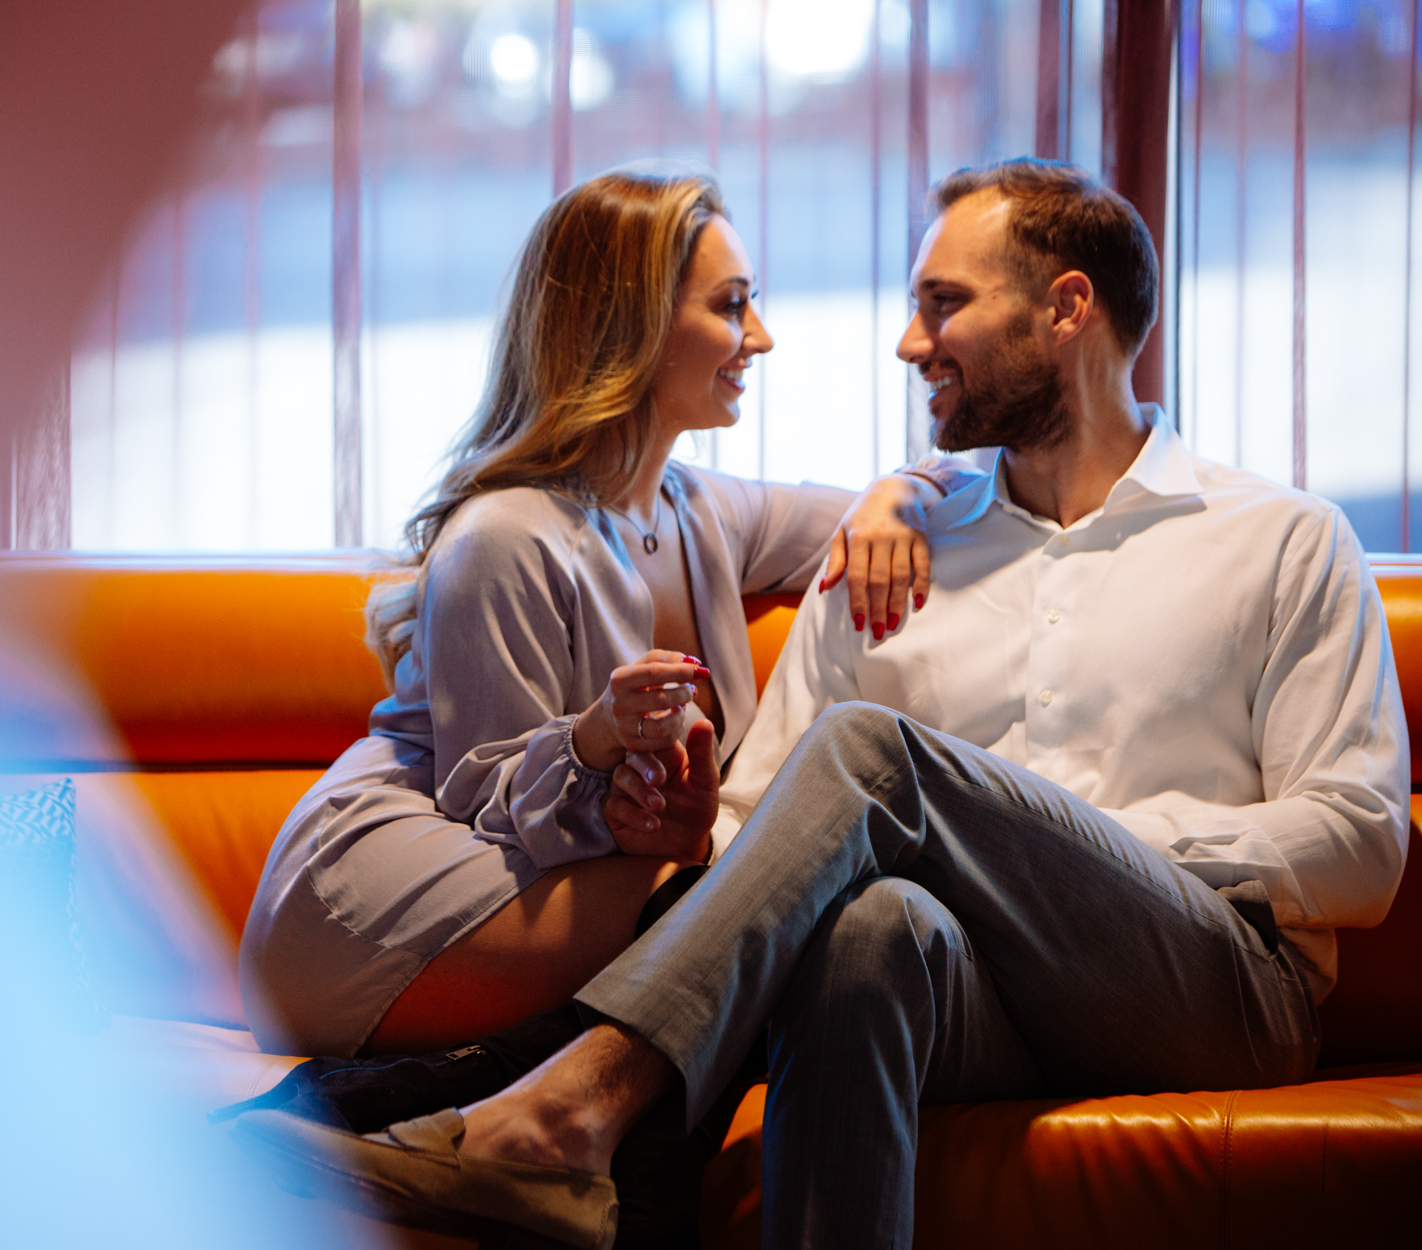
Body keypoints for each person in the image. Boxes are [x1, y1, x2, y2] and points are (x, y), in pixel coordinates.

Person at [230, 159, 1410, 1250]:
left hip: (1208, 990)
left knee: (874, 758)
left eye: (941, 304)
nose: (907, 343)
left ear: (1064, 309)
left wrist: (1056, 838)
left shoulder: (1279, 538)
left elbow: (1359, 843)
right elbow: (755, 817)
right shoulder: (893, 553)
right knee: (865, 933)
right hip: (982, 996)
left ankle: (566, 1106)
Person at [238, 170, 975, 1059]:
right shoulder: (504, 536)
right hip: (393, 887)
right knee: (752, 891)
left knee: (766, 889)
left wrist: (894, 495)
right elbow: (487, 804)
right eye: (732, 306)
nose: (761, 338)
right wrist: (592, 741)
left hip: (571, 880)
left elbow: (945, 488)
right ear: (634, 326)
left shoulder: (701, 509)